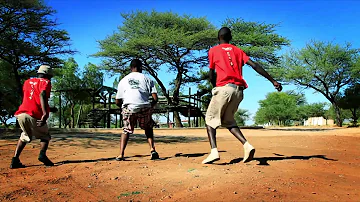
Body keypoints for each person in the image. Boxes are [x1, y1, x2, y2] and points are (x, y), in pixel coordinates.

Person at [202, 27, 282, 164]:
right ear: (230, 38)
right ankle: (247, 145)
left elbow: (211, 72)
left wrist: (214, 86)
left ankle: (214, 151)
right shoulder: (237, 51)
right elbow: (255, 65)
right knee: (228, 121)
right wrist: (273, 81)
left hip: (224, 89)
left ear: (218, 38)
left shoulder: (213, 50)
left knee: (209, 120)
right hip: (239, 91)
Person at [10, 65, 56, 169]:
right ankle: (42, 155)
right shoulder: (46, 82)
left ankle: (15, 159)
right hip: (35, 114)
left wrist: (49, 108)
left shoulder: (27, 82)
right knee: (45, 136)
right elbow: (42, 94)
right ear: (47, 75)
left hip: (21, 113)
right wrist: (45, 113)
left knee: (25, 135)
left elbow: (32, 98)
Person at [115, 59, 159, 161]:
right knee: (148, 127)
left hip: (129, 107)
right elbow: (155, 98)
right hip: (144, 107)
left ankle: (121, 154)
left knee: (126, 130)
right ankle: (152, 150)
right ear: (141, 67)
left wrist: (123, 107)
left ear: (131, 68)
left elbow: (117, 101)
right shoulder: (148, 79)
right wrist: (150, 106)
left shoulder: (123, 80)